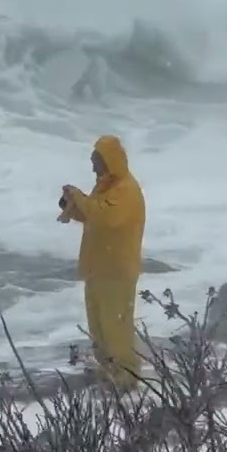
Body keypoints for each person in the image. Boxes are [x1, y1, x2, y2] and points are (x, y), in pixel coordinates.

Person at [57, 134, 146, 390]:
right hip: (98, 267)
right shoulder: (106, 187)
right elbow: (93, 213)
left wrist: (79, 197)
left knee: (115, 327)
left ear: (110, 161)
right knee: (99, 327)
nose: (93, 167)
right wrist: (72, 205)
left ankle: (127, 379)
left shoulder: (126, 189)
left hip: (117, 270)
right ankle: (109, 373)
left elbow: (107, 217)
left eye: (96, 161)